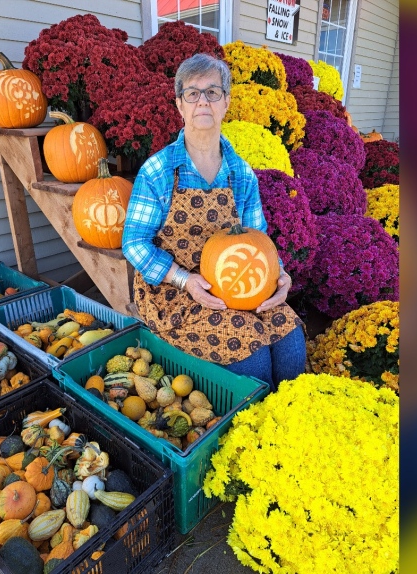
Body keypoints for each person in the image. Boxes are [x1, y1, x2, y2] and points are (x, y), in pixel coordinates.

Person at [122, 53, 305, 390]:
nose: (202, 101)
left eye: (212, 92)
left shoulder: (240, 173)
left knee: (290, 338)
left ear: (226, 102)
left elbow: (258, 237)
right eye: (192, 93)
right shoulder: (158, 171)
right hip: (173, 292)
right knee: (251, 354)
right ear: (179, 105)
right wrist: (183, 280)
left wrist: (279, 275)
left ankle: (288, 427)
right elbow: (134, 243)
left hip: (237, 283)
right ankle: (251, 429)